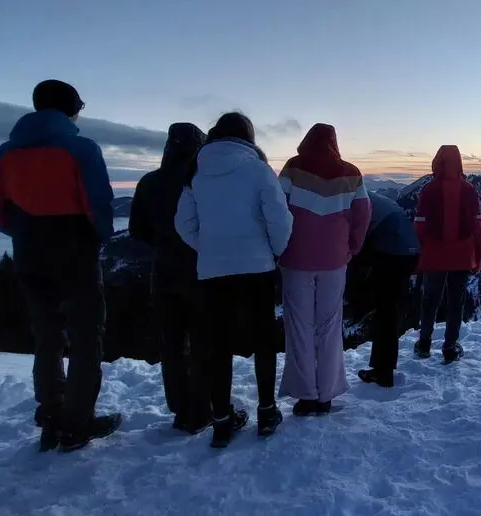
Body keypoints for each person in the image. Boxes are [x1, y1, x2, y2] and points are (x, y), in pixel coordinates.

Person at [0, 80, 121, 452]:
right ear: (70, 108)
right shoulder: (81, 148)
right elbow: (99, 204)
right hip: (74, 251)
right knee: (86, 335)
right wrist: (99, 237)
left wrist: (25, 231)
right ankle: (77, 423)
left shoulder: (7, 152)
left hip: (28, 251)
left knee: (47, 335)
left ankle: (51, 414)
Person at [175, 112, 292, 448]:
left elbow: (184, 223)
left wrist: (210, 249)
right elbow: (279, 219)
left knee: (217, 345)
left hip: (213, 272)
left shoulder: (196, 170)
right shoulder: (257, 168)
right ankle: (267, 411)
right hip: (257, 267)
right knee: (263, 340)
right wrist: (273, 252)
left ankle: (222, 419)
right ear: (248, 136)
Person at [277, 123, 371, 416]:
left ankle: (305, 395)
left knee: (299, 327)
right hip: (334, 261)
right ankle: (326, 394)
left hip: (295, 260)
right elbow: (363, 214)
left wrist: (278, 247)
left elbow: (278, 209)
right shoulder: (351, 173)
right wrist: (352, 247)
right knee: (330, 326)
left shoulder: (293, 168)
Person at [129, 122, 211, 435]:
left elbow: (138, 230)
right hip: (203, 271)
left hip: (163, 272)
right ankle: (204, 406)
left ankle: (181, 408)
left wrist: (164, 243)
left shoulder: (150, 182)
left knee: (173, 343)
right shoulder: (204, 181)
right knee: (205, 340)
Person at [413, 145, 481, 364]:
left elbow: (420, 226)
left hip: (435, 254)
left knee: (430, 299)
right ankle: (450, 346)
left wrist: (419, 256)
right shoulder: (469, 189)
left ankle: (424, 342)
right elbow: (477, 226)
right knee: (456, 301)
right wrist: (478, 256)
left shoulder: (429, 190)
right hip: (462, 255)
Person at [353, 193, 421, 388]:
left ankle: (382, 372)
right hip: (410, 252)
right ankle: (383, 369)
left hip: (391, 253)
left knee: (385, 313)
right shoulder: (374, 198)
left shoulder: (354, 201)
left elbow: (356, 238)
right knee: (388, 312)